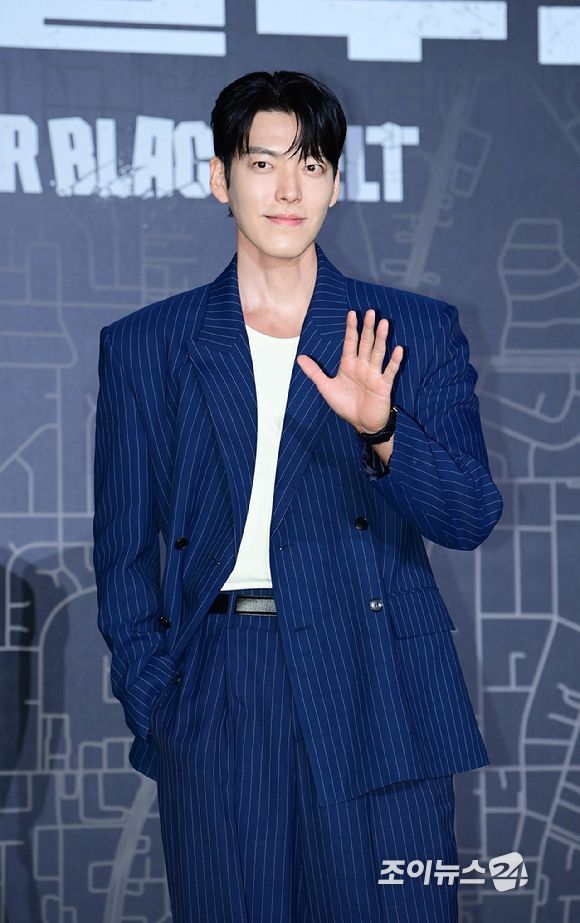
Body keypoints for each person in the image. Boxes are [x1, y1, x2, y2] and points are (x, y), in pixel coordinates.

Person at [93, 70, 503, 922]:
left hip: (377, 676)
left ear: (336, 184)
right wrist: (159, 699)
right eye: (264, 162)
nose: (289, 189)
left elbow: (470, 515)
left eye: (311, 164)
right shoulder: (149, 344)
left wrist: (383, 429)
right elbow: (124, 549)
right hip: (220, 684)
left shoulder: (412, 330)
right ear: (221, 177)